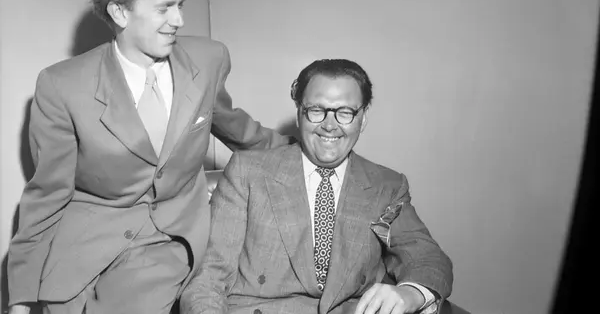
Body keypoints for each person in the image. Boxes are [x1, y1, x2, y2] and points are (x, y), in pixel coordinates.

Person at [7, 0, 291, 314]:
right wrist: (21, 298)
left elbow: (240, 130)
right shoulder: (62, 85)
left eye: (180, 5)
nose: (179, 20)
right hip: (81, 249)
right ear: (120, 12)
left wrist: (304, 147)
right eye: (163, 8)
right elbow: (47, 194)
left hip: (168, 239)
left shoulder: (208, 60)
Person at [181, 59, 453, 314]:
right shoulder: (247, 172)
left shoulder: (387, 185)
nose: (329, 126)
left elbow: (428, 258)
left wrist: (411, 294)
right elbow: (208, 278)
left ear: (363, 118)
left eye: (345, 112)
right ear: (299, 114)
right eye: (316, 110)